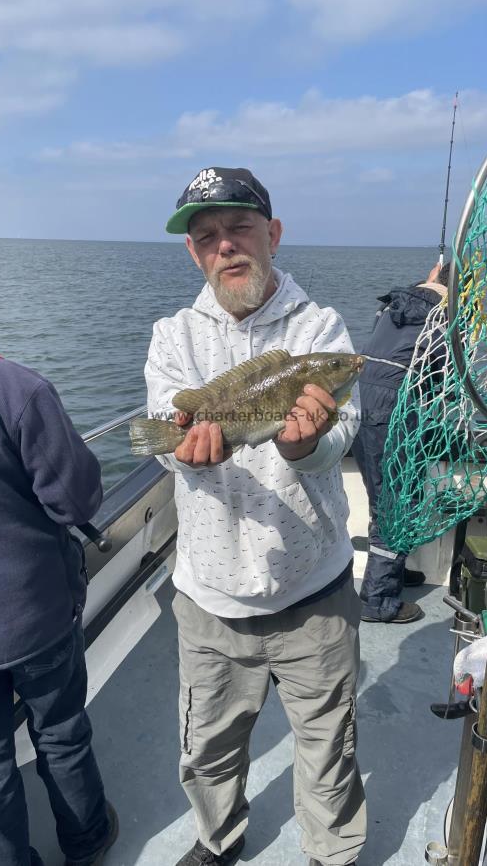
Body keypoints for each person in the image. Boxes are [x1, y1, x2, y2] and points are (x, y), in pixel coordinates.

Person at [145, 167, 366, 866]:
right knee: (206, 745)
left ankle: (330, 854)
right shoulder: (172, 334)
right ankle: (217, 841)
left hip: (314, 589)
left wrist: (305, 444)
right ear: (193, 253)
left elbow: (341, 437)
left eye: (239, 228)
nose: (225, 247)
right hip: (209, 593)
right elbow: (165, 435)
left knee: (328, 745)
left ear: (271, 234)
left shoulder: (319, 329)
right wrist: (186, 453)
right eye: (207, 237)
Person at [0, 240, 118, 866]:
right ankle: (87, 839)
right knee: (61, 734)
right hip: (36, 616)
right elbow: (77, 499)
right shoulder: (16, 388)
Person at [352, 262, 449, 624]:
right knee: (395, 506)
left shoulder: (398, 304)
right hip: (394, 412)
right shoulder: (443, 316)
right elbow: (447, 374)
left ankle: (391, 571)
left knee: (388, 498)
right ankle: (378, 600)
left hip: (362, 406)